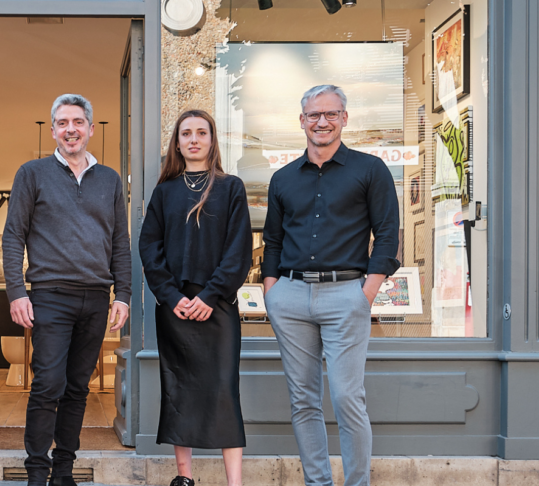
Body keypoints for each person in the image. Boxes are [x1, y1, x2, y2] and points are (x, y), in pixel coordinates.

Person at [262, 84, 400, 486]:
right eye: (313, 115)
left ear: (344, 118)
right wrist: (272, 292)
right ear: (301, 120)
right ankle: (317, 482)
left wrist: (366, 293)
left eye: (331, 114)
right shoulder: (283, 178)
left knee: (346, 398)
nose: (322, 122)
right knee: (303, 401)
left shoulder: (369, 169)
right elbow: (272, 240)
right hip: (290, 296)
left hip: (347, 295)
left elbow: (388, 235)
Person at [3, 93, 132, 486]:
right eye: (62, 122)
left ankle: (63, 470)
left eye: (78, 122)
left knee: (79, 387)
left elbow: (120, 243)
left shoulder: (109, 179)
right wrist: (16, 292)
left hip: (95, 297)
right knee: (48, 384)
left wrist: (123, 294)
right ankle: (36, 472)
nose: (70, 129)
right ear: (54, 129)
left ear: (91, 128)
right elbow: (13, 236)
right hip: (50, 295)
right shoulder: (32, 173)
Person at [139, 110, 251, 486]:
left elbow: (239, 251)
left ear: (212, 139)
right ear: (177, 142)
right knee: (179, 389)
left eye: (201, 132)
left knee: (223, 391)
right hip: (175, 309)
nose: (193, 139)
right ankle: (184, 477)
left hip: (217, 308)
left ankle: (234, 481)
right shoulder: (164, 191)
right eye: (186, 133)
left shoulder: (231, 187)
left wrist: (211, 294)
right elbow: (149, 247)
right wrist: (171, 296)